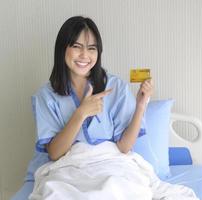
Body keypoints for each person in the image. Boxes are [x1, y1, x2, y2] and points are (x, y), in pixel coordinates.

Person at [12, 16, 153, 199]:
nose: (84, 55)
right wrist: (81, 113)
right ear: (63, 49)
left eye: (91, 48)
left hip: (112, 166)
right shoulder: (45, 96)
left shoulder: (115, 87)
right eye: (77, 47)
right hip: (68, 170)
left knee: (118, 189)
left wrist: (141, 105)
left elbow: (124, 147)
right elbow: (55, 153)